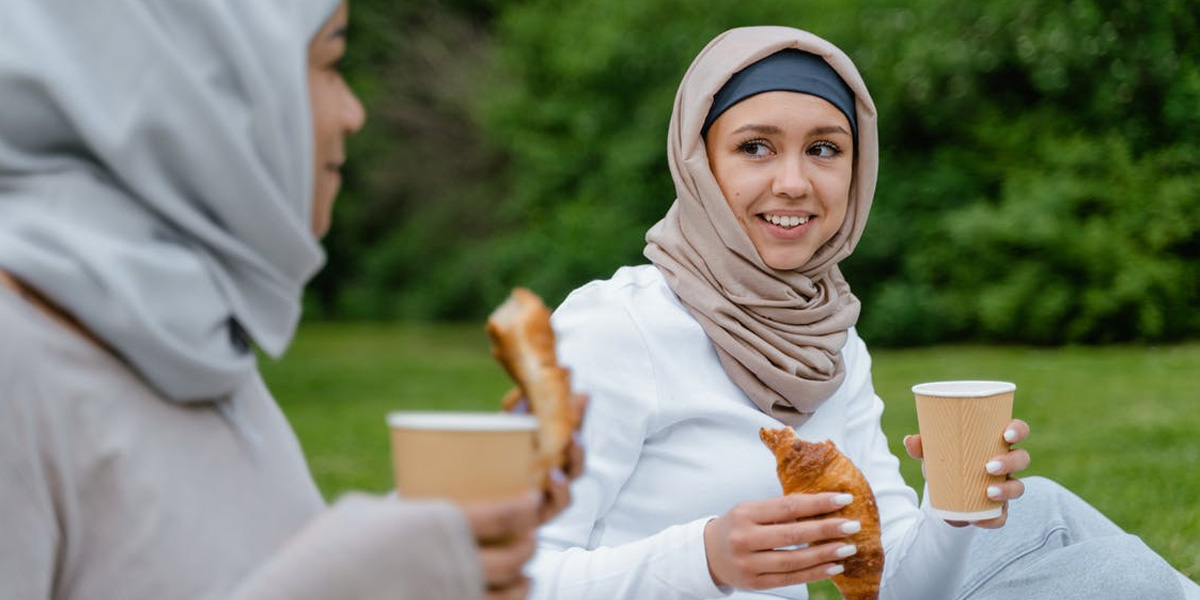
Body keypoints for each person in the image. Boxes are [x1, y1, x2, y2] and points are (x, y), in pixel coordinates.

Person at [526, 26, 1200, 600]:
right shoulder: (617, 328)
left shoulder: (831, 339)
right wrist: (705, 557)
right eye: (754, 146)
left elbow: (895, 583)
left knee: (1041, 505)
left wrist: (953, 504)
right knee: (1108, 577)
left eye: (824, 148)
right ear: (698, 161)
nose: (794, 181)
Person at [0, 1, 580, 599]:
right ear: (203, 86)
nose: (354, 113)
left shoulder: (195, 347)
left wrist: (442, 546)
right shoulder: (16, 356)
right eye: (329, 64)